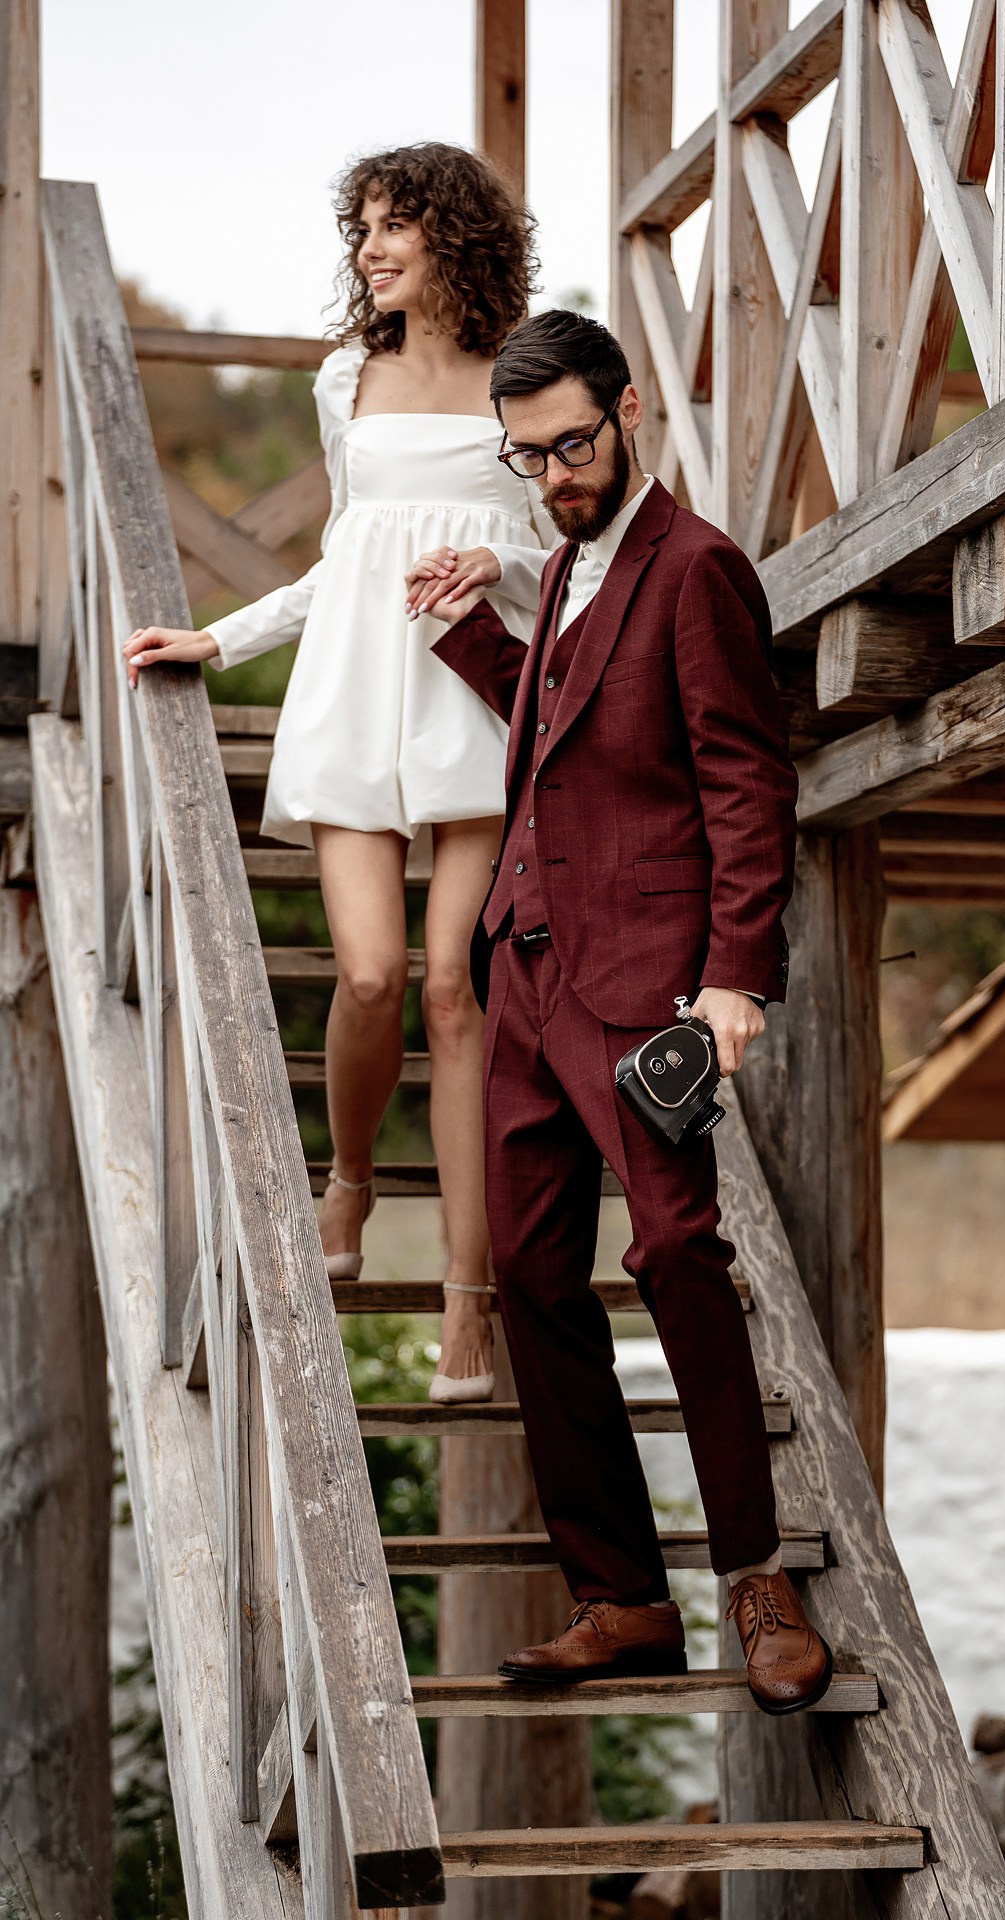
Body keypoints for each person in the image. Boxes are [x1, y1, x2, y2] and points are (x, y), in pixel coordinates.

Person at [405, 309, 832, 1713]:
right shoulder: (571, 569)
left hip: (641, 985)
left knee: (676, 1255)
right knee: (533, 1279)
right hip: (523, 979)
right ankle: (622, 1598)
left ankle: (756, 1578)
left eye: (572, 445)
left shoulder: (695, 567)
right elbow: (563, 743)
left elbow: (744, 782)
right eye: (527, 457)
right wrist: (471, 636)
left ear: (629, 411)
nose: (553, 477)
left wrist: (735, 976)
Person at [123, 143, 556, 1405]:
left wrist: (498, 566)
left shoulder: (525, 380)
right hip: (356, 698)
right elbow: (347, 558)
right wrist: (219, 640)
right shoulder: (344, 379)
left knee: (451, 990)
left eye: (391, 226)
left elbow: (566, 554)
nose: (368, 249)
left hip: (478, 698)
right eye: (360, 228)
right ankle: (350, 1181)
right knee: (368, 975)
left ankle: (468, 1304)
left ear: (452, 238)